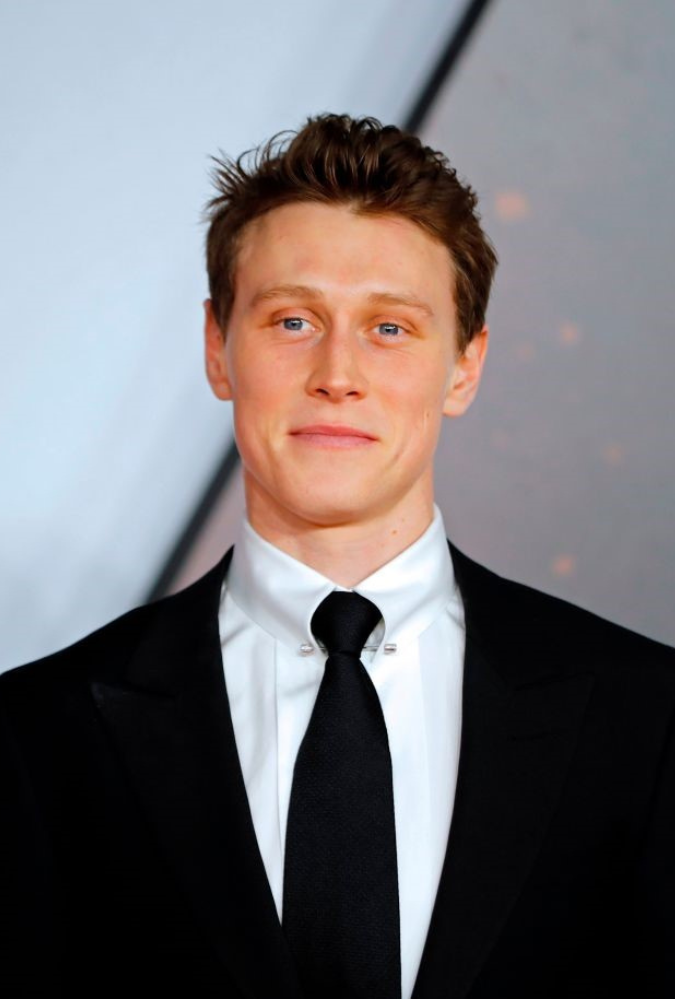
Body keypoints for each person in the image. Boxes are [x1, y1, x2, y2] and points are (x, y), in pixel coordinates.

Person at [1, 113, 674, 999]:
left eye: (389, 328)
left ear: (465, 367)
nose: (337, 371)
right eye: (291, 319)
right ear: (217, 348)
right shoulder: (34, 733)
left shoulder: (650, 715)